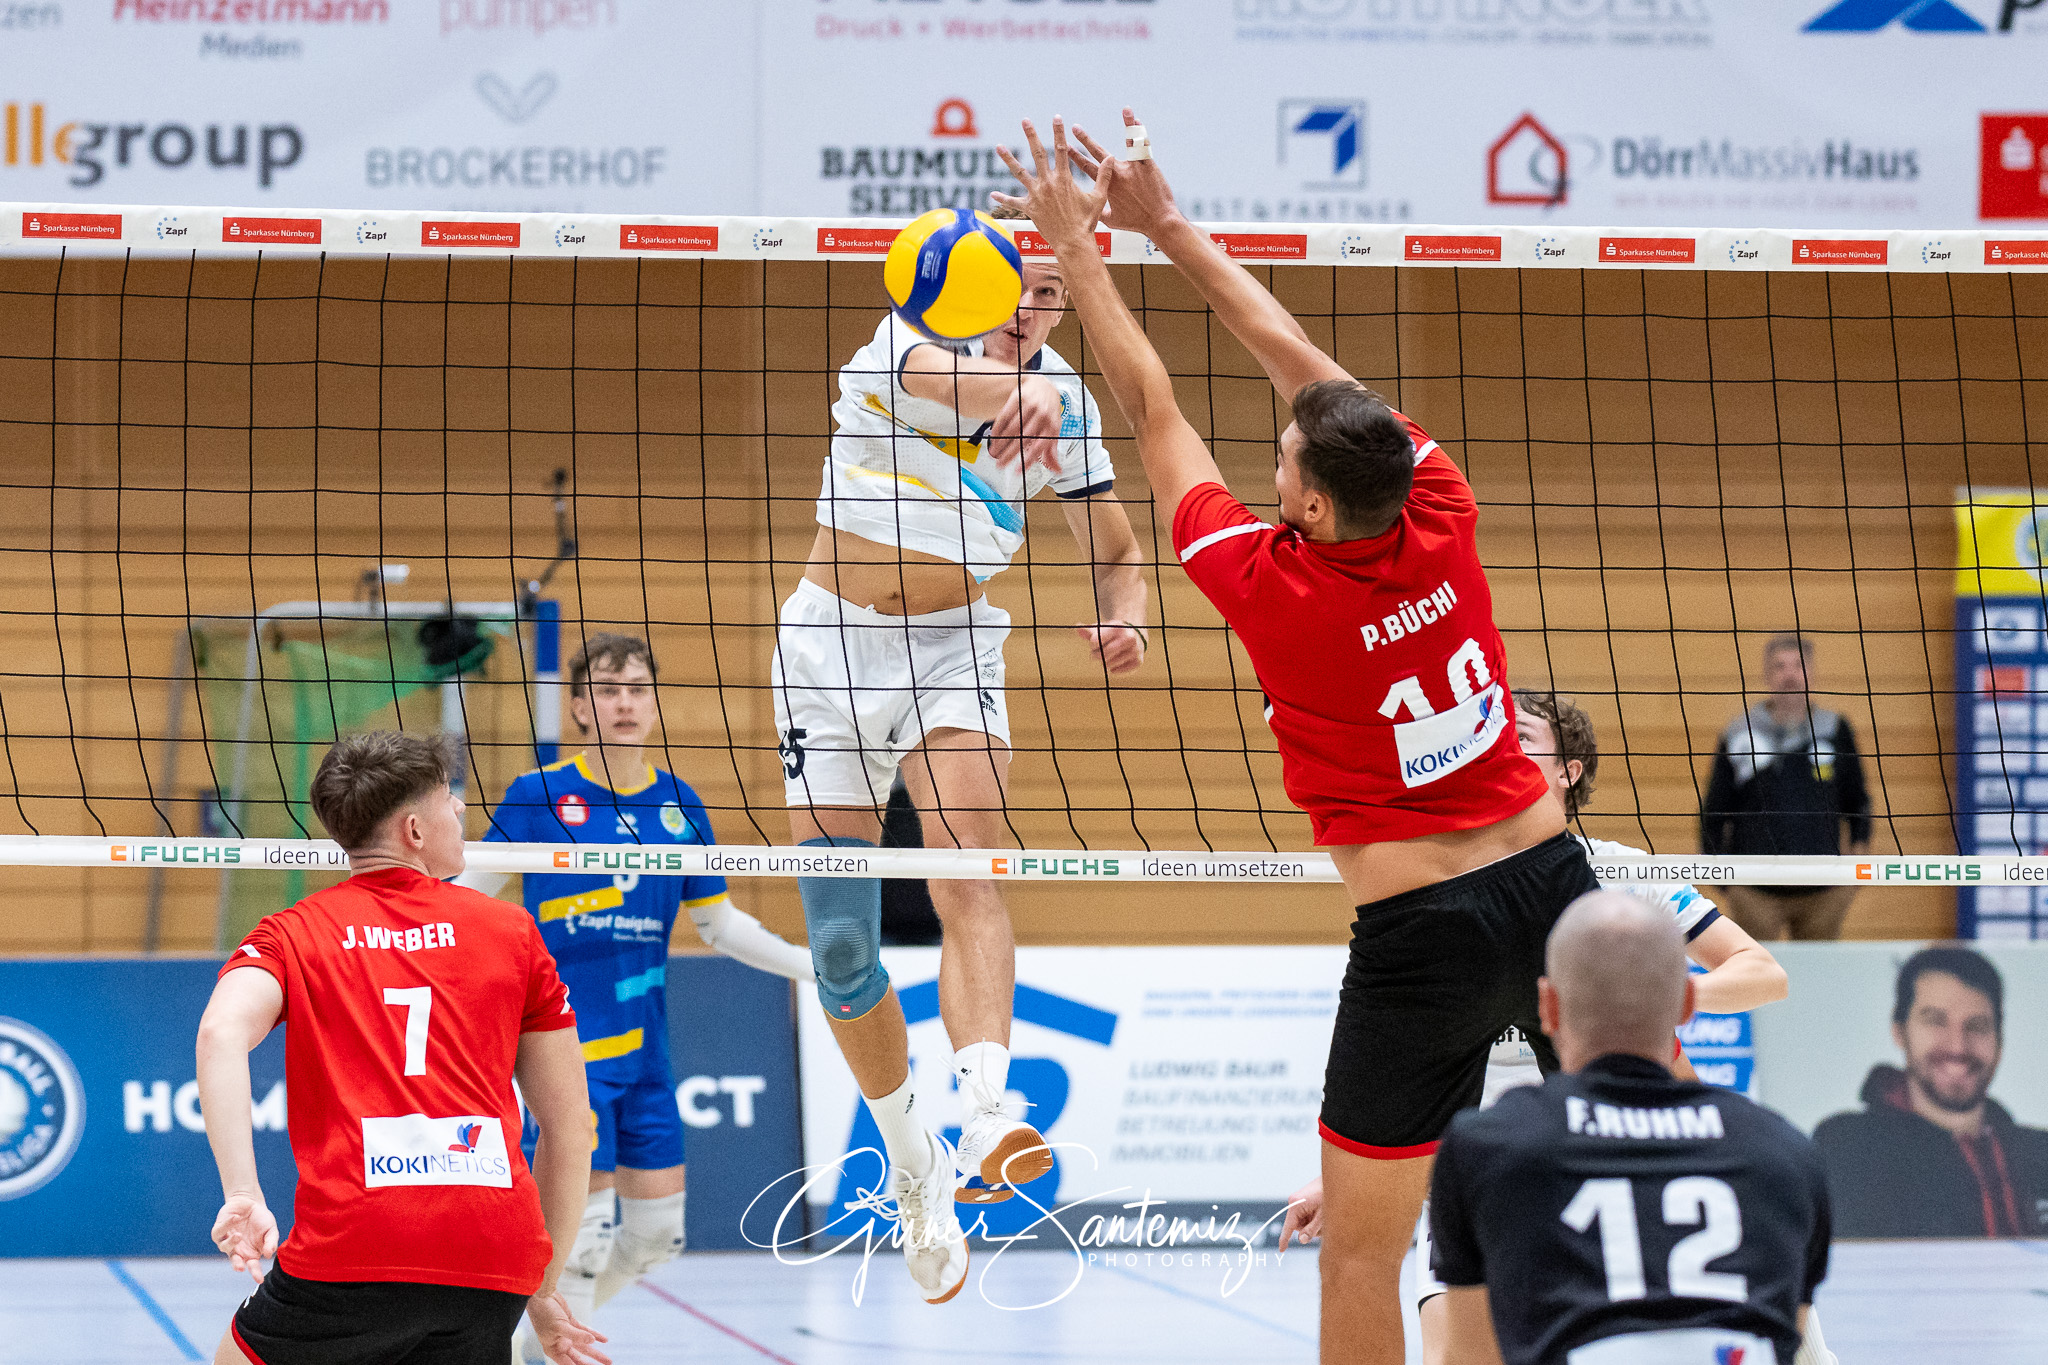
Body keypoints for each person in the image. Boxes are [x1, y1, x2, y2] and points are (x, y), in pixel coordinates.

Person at [1005, 113, 1597, 1365]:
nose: (1270, 458)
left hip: (1422, 939)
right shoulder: (1438, 501)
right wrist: (1164, 224)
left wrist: (1082, 256)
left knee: (1359, 1255)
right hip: (1557, 893)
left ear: (1311, 502)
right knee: (1592, 1207)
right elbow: (1292, 359)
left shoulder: (1264, 581)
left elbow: (1148, 404)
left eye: (1279, 458)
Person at [773, 208, 1148, 1302]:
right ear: (970, 289)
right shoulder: (901, 343)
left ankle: (989, 1108)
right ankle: (911, 1166)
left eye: (1049, 296)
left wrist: (1123, 614)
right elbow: (953, 386)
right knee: (842, 946)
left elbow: (1118, 552)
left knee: (966, 866)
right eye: (1015, 290)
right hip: (827, 649)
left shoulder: (1062, 399)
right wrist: (1019, 392)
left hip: (953, 645)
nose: (1031, 311)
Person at [1287, 691, 1809, 1362]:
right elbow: (1418, 1075)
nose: (1499, 750)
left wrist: (1648, 997)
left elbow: (1763, 971)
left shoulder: (1613, 872)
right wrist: (1348, 1181)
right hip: (1477, 1173)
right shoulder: (1435, 886)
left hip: (1591, 1160)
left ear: (1570, 770)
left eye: (1521, 739)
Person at [456, 633, 816, 1360]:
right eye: (609, 689)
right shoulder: (540, 795)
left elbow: (718, 924)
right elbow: (468, 893)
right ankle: (551, 1344)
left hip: (647, 1051)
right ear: (582, 706)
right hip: (566, 1052)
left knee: (656, 1236)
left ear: (653, 702)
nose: (625, 701)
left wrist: (814, 967)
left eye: (638, 688)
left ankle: (531, 1346)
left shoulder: (680, 807)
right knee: (581, 1243)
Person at [195, 731, 607, 1365]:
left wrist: (243, 1192)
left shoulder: (293, 932)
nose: (463, 811)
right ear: (414, 830)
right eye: (451, 798)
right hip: (491, 1259)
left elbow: (220, 1033)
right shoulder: (513, 931)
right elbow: (572, 1129)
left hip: (355, 1247)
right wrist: (542, 1290)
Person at [1428, 890, 1832, 1365]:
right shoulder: (1785, 1151)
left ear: (1547, 1007)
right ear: (1686, 1005)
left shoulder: (1485, 1147)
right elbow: (1787, 1336)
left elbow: (1471, 1357)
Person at [1814, 945, 2048, 1237]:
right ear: (1900, 1031)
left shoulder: (2040, 1152)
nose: (1957, 1046)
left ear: (1999, 1042)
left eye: (1977, 1025)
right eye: (1936, 1021)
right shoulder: (1849, 1148)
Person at [1701, 634, 1872, 940]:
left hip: (1825, 890)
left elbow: (1858, 803)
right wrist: (1728, 883)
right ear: (1767, 674)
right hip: (1754, 891)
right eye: (1780, 666)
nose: (1790, 674)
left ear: (1812, 672)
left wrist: (1855, 873)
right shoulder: (1740, 731)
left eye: (1798, 666)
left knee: (1818, 979)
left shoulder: (1834, 729)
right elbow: (1714, 810)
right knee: (1757, 979)